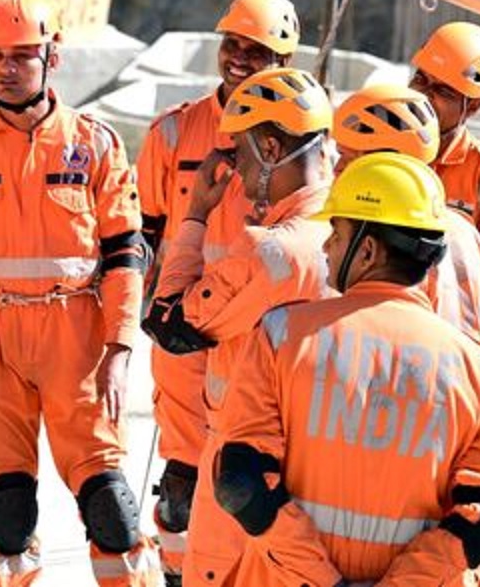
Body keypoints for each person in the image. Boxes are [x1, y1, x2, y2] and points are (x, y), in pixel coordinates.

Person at [0, 0, 159, 586]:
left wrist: (121, 349)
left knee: (111, 506)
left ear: (53, 56)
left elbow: (126, 253)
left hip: (76, 337)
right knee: (10, 506)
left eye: (23, 55)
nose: (7, 67)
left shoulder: (96, 144)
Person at [215, 152, 480, 585]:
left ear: (369, 250)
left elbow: (242, 485)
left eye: (335, 234)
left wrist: (324, 581)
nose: (325, 246)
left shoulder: (282, 335)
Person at [142, 67, 336, 586]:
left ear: (271, 148)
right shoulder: (353, 237)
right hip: (326, 468)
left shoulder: (272, 249)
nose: (236, 169)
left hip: (244, 469)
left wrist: (197, 212)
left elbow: (168, 323)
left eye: (242, 152)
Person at [134, 0, 300, 582]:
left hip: (260, 351)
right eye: (232, 43)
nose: (238, 57)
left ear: (284, 62)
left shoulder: (303, 140)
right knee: (179, 499)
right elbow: (145, 238)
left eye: (255, 51)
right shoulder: (174, 134)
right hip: (184, 346)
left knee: (250, 496)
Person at [332, 84, 480, 388]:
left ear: (387, 165)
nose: (337, 168)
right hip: (457, 403)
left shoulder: (380, 241)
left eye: (348, 157)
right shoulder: (466, 232)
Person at [408, 22, 480, 309]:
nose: (425, 95)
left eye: (443, 91)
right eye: (421, 80)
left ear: (473, 107)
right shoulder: (375, 146)